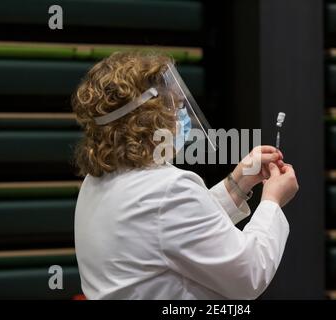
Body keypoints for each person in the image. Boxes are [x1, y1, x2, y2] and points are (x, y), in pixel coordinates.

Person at [73, 52, 299, 299]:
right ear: (148, 118)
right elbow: (250, 273)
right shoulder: (168, 188)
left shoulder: (96, 182)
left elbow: (179, 229)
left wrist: (238, 184)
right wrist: (272, 201)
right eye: (177, 105)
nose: (182, 115)